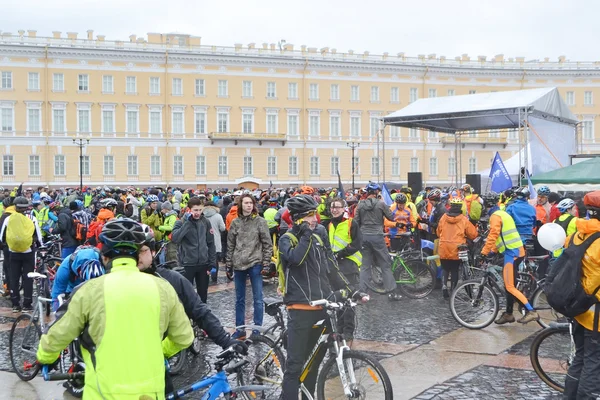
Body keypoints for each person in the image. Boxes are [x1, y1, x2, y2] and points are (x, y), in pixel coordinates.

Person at [36, 219, 194, 399]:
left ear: (104, 256)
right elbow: (184, 337)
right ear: (137, 255)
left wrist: (45, 357)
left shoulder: (88, 290)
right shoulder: (163, 288)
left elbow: (56, 336)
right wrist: (160, 350)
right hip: (150, 393)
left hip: (103, 392)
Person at [278, 194, 353, 399]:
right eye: (309, 216)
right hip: (300, 309)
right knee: (295, 366)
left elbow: (331, 266)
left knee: (313, 366)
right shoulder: (287, 238)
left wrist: (349, 289)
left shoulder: (320, 232)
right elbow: (296, 260)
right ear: (297, 219)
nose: (315, 219)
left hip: (321, 306)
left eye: (315, 214)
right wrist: (305, 236)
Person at [563, 191, 600, 399]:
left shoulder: (577, 234)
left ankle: (570, 396)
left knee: (581, 357)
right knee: (594, 362)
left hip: (579, 308)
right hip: (596, 315)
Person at [481, 207, 539, 324]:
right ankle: (508, 314)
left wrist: (484, 252)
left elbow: (493, 234)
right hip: (516, 251)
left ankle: (531, 311)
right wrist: (492, 251)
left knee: (510, 287)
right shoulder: (505, 215)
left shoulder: (495, 216)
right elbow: (502, 238)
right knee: (509, 287)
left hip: (512, 254)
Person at [227, 194, 273, 340]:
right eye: (246, 203)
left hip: (255, 262)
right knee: (239, 299)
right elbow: (230, 245)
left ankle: (257, 330)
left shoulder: (260, 222)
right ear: (241, 205)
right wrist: (229, 264)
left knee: (258, 298)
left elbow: (267, 244)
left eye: (251, 203)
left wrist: (265, 263)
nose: (248, 205)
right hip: (239, 264)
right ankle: (240, 328)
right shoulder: (235, 222)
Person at [328, 198, 363, 347]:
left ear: (344, 208)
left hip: (349, 266)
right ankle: (339, 331)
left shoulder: (351, 223)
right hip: (335, 268)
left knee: (349, 301)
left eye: (337, 207)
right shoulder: (329, 225)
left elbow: (357, 243)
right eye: (332, 207)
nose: (334, 209)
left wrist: (341, 254)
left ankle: (348, 334)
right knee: (338, 301)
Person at [354, 182, 398, 299]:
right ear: (377, 192)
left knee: (365, 265)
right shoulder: (381, 204)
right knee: (385, 263)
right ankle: (391, 292)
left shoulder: (360, 205)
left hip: (364, 236)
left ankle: (363, 291)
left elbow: (356, 222)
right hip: (377, 236)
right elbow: (391, 217)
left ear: (367, 193)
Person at [0, 196, 43, 312]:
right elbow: (38, 237)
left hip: (13, 252)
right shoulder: (32, 218)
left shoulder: (8, 219)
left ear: (15, 206)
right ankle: (27, 304)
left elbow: (1, 236)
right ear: (27, 207)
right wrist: (40, 247)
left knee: (14, 277)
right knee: (28, 277)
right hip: (28, 252)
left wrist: (7, 246)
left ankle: (15, 304)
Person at [171, 197, 216, 303]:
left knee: (203, 295)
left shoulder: (205, 222)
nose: (198, 213)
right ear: (189, 210)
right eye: (195, 210)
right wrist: (187, 222)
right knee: (187, 295)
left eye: (200, 210)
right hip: (187, 264)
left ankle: (201, 318)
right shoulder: (180, 222)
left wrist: (212, 262)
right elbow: (175, 238)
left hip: (203, 263)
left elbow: (210, 243)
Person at [437, 198, 478, 298]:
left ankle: (444, 286)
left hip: (444, 246)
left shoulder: (443, 217)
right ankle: (453, 290)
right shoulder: (463, 219)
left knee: (445, 268)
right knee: (455, 269)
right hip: (457, 248)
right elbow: (473, 234)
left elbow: (438, 232)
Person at [50, 246, 103, 311]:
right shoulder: (65, 268)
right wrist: (57, 314)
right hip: (72, 289)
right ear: (80, 272)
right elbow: (56, 296)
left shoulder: (102, 261)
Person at [202, 200, 226, 283]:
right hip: (215, 241)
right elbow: (222, 228)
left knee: (205, 259)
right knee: (214, 260)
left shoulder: (202, 216)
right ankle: (214, 276)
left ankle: (205, 276)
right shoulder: (218, 216)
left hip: (203, 241)